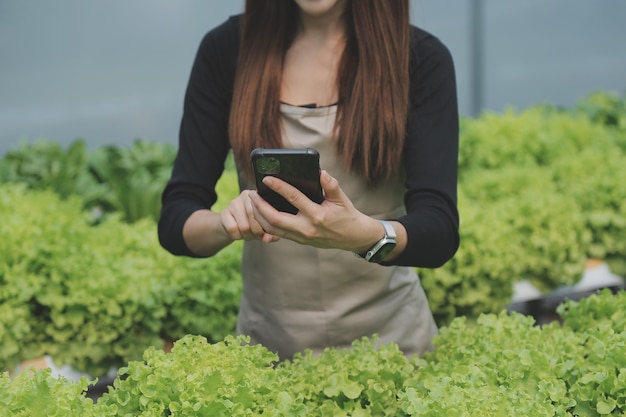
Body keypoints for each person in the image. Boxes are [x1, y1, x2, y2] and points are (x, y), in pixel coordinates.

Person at [158, 0, 460, 361]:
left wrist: (365, 235)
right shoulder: (227, 49)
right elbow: (177, 219)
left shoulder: (419, 59)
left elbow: (439, 229)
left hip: (393, 350)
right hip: (269, 354)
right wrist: (228, 225)